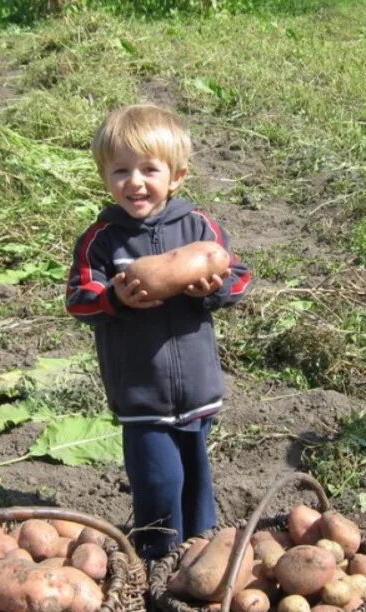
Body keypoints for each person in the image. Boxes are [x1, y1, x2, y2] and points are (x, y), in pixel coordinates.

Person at [65, 104, 252, 560]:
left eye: (149, 169)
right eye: (121, 170)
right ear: (104, 177)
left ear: (177, 176)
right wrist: (114, 298)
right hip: (140, 392)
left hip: (198, 388)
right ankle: (156, 555)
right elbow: (78, 299)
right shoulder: (102, 239)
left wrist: (213, 288)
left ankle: (201, 551)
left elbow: (239, 276)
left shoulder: (199, 227)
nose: (135, 182)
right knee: (158, 479)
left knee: (196, 476)